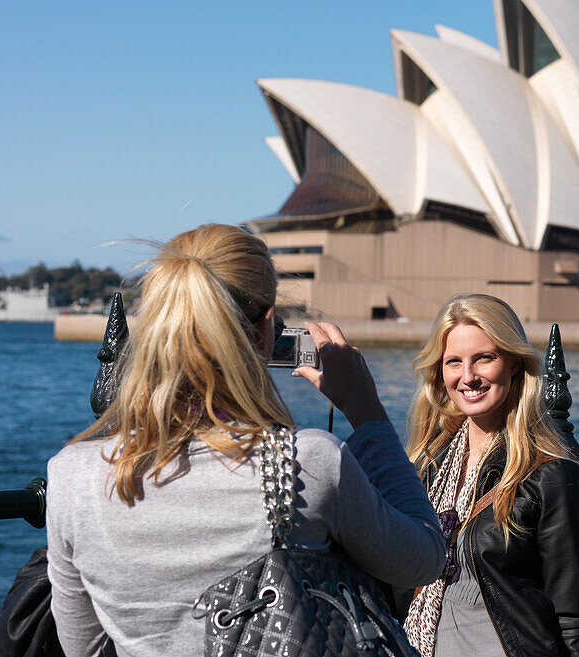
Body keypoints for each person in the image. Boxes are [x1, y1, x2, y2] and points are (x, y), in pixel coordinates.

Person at [45, 224, 445, 657]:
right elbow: (423, 557)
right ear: (264, 329)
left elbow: (82, 646)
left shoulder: (71, 477)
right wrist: (367, 412)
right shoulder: (306, 464)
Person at [401, 294, 579, 657]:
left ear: (512, 363)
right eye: (454, 362)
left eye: (484, 358)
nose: (468, 377)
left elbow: (572, 620)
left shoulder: (551, 475)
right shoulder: (430, 464)